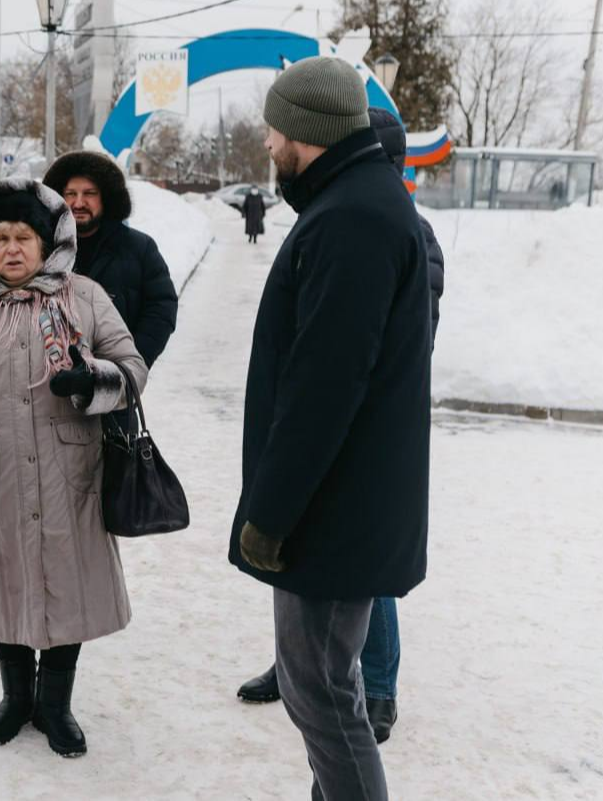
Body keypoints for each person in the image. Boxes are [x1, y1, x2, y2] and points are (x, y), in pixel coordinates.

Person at [229, 57, 431, 801]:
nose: (268, 140)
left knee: (317, 689)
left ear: (305, 130)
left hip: (330, 506)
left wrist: (270, 515)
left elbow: (323, 387)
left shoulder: (350, 217)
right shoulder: (357, 201)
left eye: (274, 126)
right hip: (344, 497)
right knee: (325, 683)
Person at [0, 178, 147, 758]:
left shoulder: (85, 297)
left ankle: (55, 705)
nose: (13, 249)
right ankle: (16, 698)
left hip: (68, 476)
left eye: (24, 237)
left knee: (66, 585)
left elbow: (132, 367)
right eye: (1, 237)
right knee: (5, 581)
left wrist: (92, 379)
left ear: (48, 244)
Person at [43, 151, 178, 368]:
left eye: (89, 193)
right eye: (70, 193)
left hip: (114, 388)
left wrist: (129, 365)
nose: (78, 202)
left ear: (105, 197)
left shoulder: (139, 248)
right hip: (50, 387)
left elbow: (161, 309)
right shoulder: (42, 249)